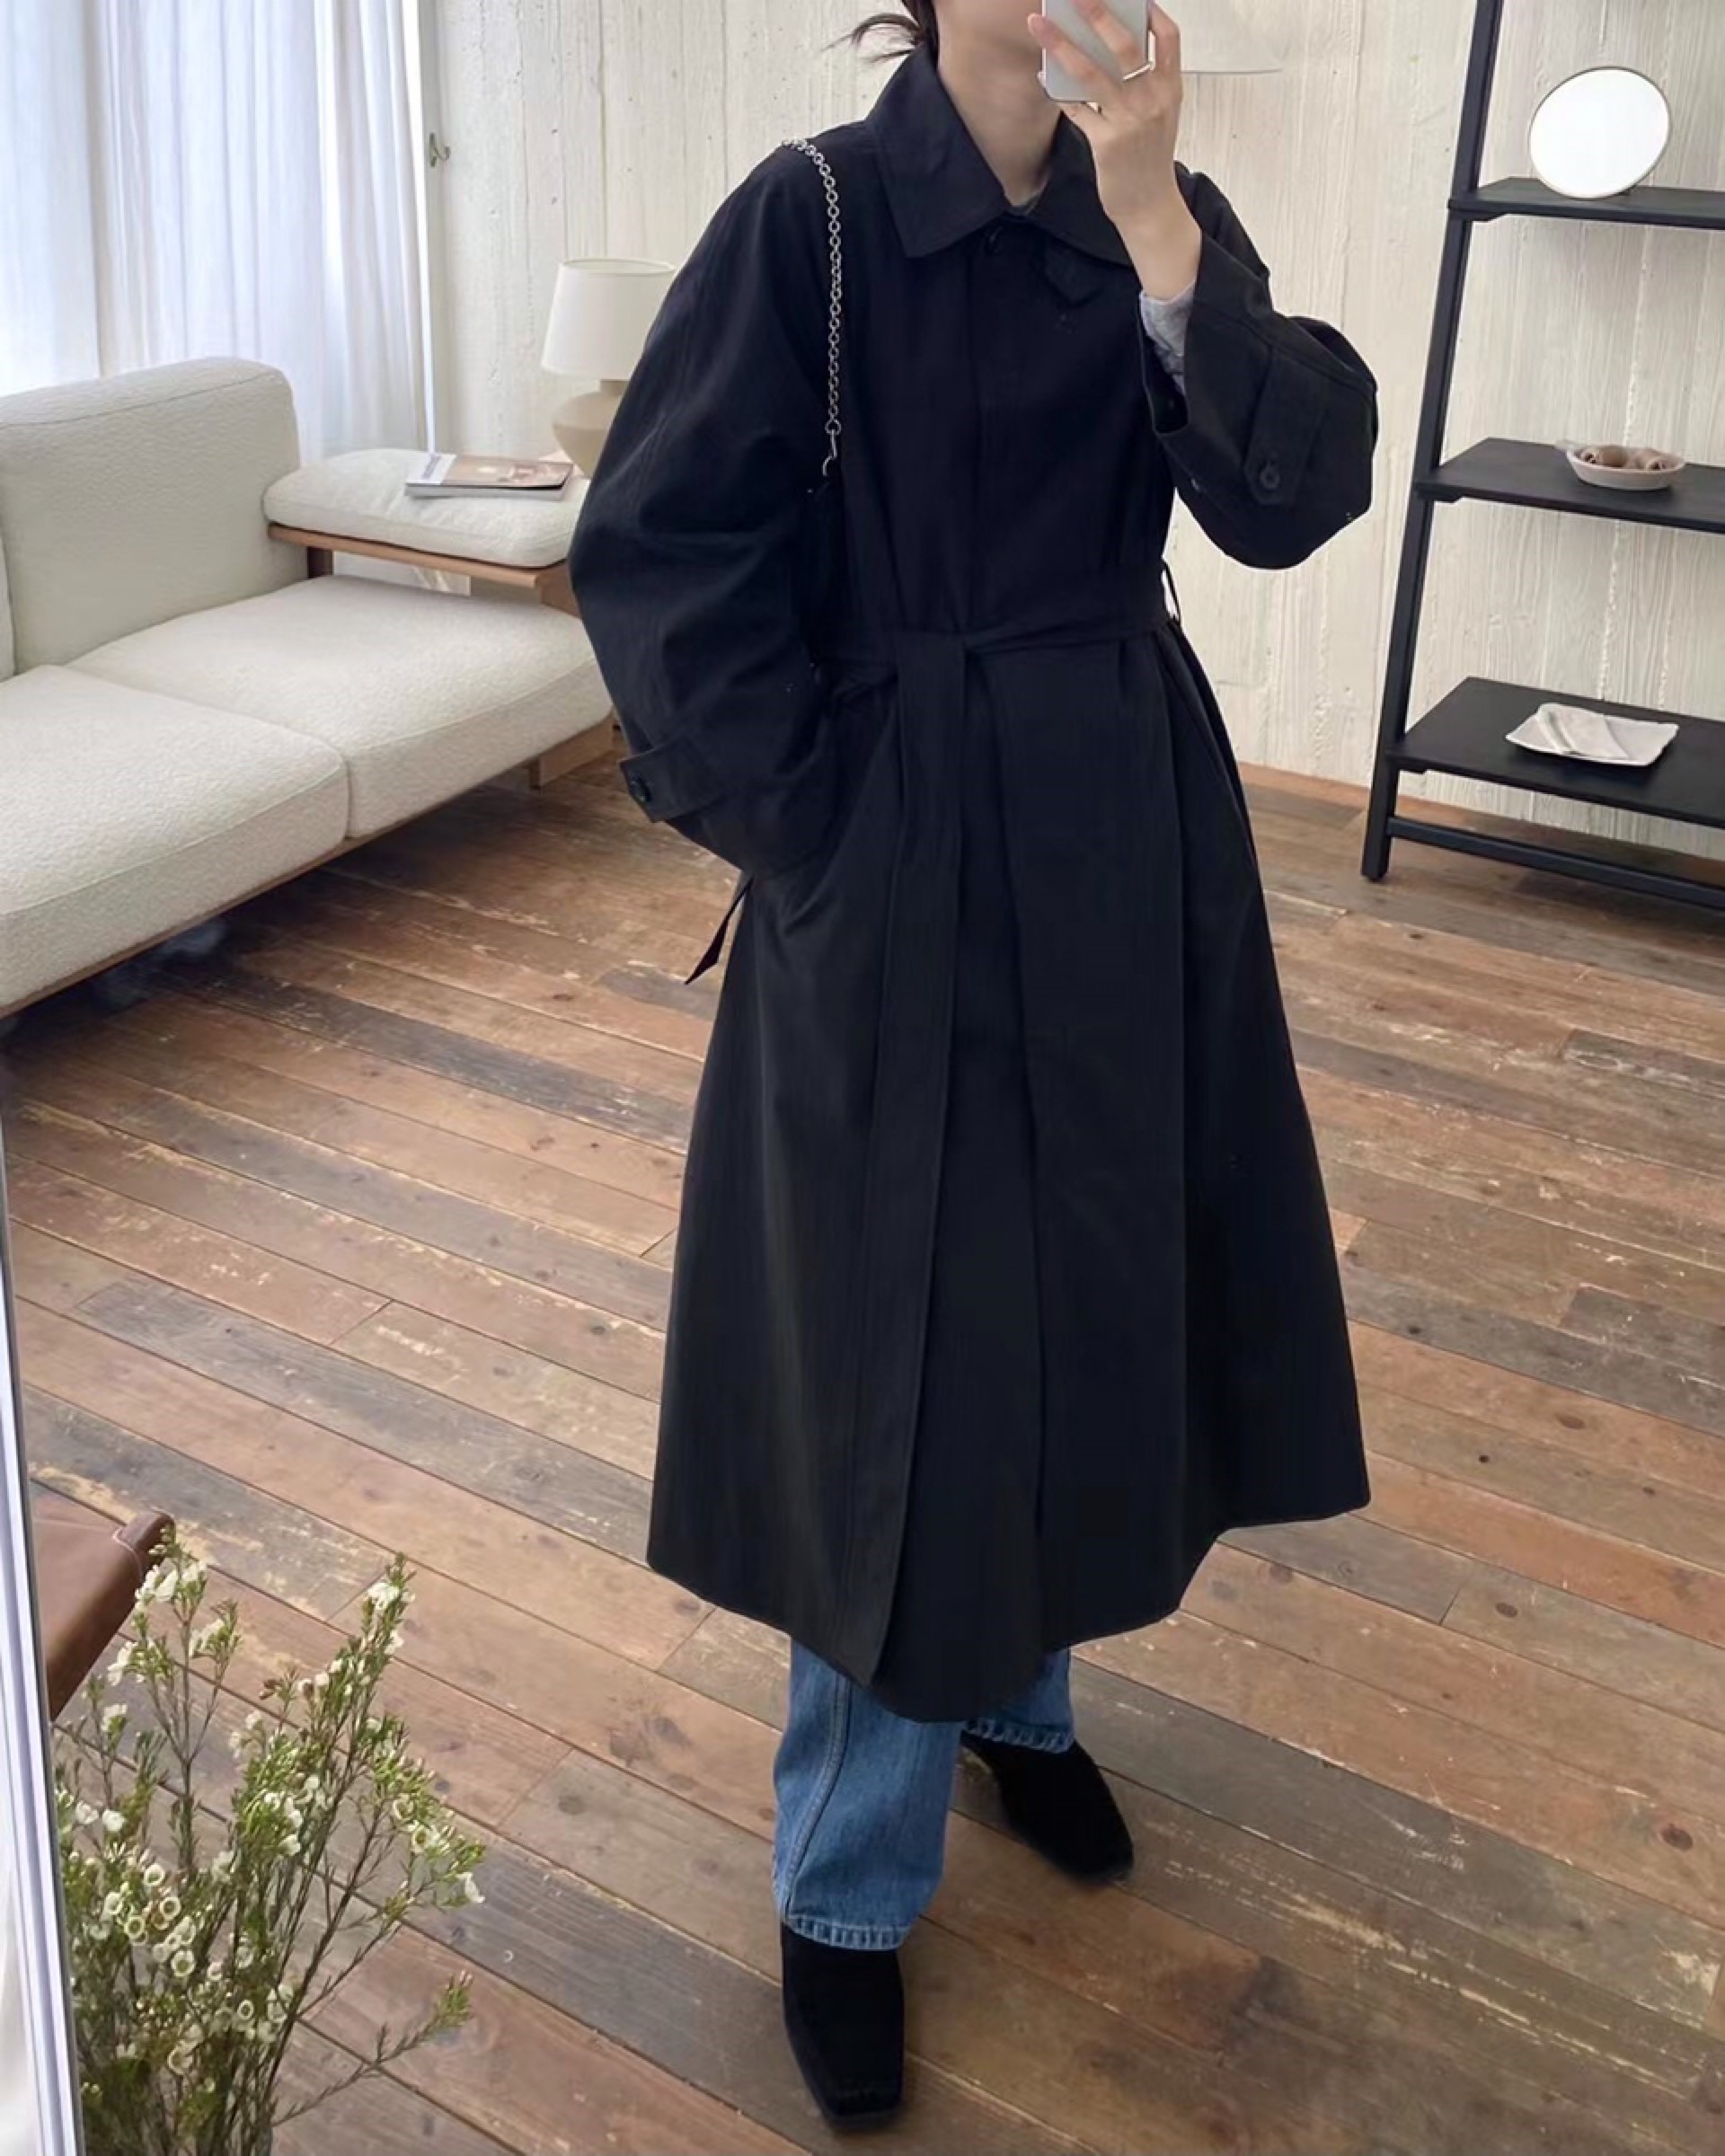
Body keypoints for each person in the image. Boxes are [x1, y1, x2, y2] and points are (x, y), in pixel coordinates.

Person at [569, 0, 1376, 2125]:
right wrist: (821, 828)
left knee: (1087, 1292)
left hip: (1120, 841)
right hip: (895, 856)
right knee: (895, 1364)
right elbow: (662, 554)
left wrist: (1159, 216)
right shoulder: (817, 218)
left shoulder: (1159, 212)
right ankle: (844, 1885)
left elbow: (1292, 495)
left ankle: (1021, 1704)